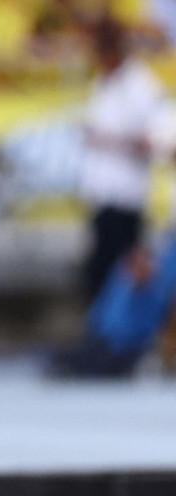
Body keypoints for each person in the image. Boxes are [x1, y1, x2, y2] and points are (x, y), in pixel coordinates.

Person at [79, 16, 165, 304]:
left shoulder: (140, 85)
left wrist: (110, 141)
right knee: (98, 273)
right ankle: (103, 336)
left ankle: (116, 338)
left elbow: (157, 140)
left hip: (127, 196)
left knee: (120, 276)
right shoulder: (103, 82)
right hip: (103, 193)